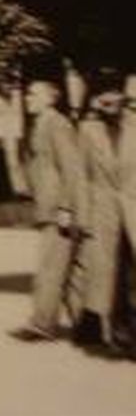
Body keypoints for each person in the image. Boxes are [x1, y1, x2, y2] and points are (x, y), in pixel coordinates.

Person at [10, 75, 83, 340]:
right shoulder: (42, 123)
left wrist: (67, 208)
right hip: (48, 207)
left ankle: (42, 324)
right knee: (69, 270)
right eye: (28, 94)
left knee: (50, 267)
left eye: (34, 94)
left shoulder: (57, 124)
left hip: (57, 209)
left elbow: (72, 168)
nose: (28, 98)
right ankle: (92, 326)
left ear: (51, 98)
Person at [73, 70, 132, 354]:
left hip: (133, 209)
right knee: (108, 273)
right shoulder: (88, 131)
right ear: (96, 99)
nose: (110, 100)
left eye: (115, 93)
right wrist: (83, 216)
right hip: (103, 211)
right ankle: (116, 332)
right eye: (103, 95)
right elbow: (81, 177)